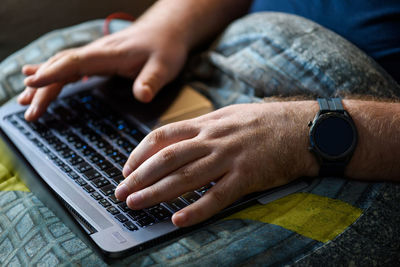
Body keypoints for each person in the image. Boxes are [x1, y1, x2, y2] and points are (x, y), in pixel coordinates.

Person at [17, 0, 400, 228]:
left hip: (348, 145)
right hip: (208, 55)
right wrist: (165, 26)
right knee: (25, 115)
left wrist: (304, 134)